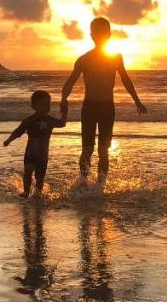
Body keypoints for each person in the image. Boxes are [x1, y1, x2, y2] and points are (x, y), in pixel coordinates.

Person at [60, 18, 147, 185]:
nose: (99, 36)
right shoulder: (84, 59)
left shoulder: (115, 57)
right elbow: (69, 82)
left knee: (103, 151)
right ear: (91, 35)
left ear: (108, 35)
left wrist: (137, 100)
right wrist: (63, 99)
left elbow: (126, 80)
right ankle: (84, 182)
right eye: (96, 33)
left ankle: (100, 186)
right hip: (89, 107)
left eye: (102, 33)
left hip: (107, 108)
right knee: (87, 149)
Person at [3, 90, 66, 197]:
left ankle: (38, 193)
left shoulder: (50, 120)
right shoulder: (29, 120)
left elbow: (62, 123)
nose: (45, 107)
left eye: (47, 105)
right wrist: (9, 140)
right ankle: (26, 191)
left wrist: (64, 112)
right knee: (28, 170)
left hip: (43, 155)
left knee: (40, 177)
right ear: (33, 106)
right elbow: (18, 131)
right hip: (30, 153)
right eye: (42, 105)